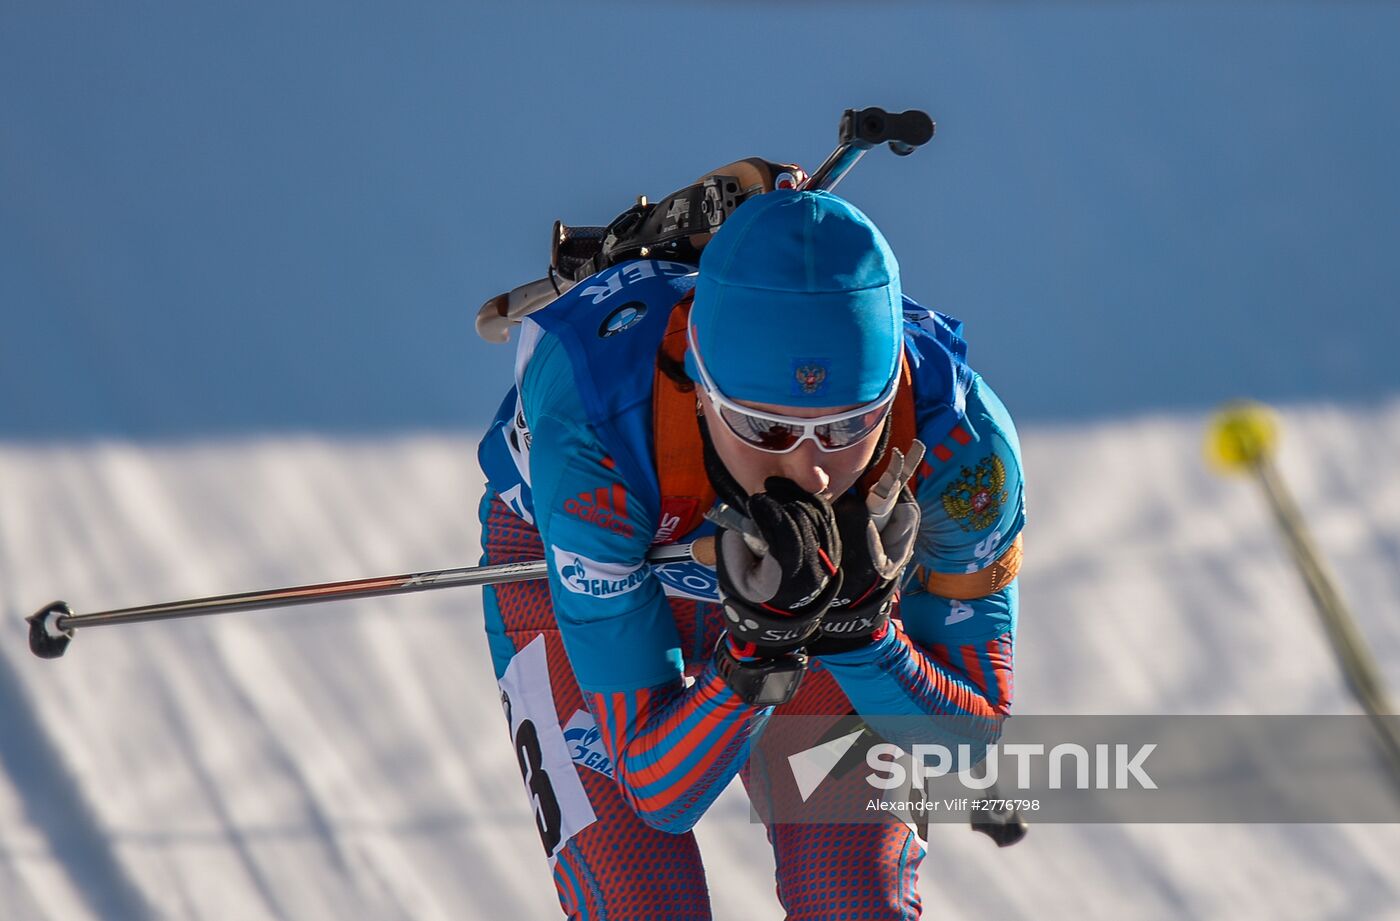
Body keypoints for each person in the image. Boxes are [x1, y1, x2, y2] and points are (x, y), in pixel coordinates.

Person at [476, 184, 1024, 920]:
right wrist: (761, 652)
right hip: (572, 561)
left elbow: (970, 738)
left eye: (847, 428)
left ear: (894, 380)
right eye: (765, 430)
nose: (813, 474)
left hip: (815, 601)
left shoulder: (960, 441)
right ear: (700, 383)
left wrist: (859, 634)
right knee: (642, 903)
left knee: (856, 905)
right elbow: (657, 792)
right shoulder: (597, 427)